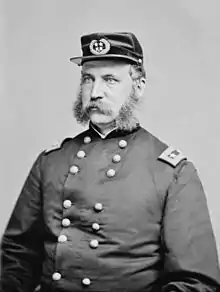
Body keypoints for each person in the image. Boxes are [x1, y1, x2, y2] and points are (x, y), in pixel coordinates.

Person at [1, 32, 220, 292]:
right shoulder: (51, 161)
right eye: (87, 79)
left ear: (138, 86)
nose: (95, 92)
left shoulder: (172, 172)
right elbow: (17, 259)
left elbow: (196, 283)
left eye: (110, 80)